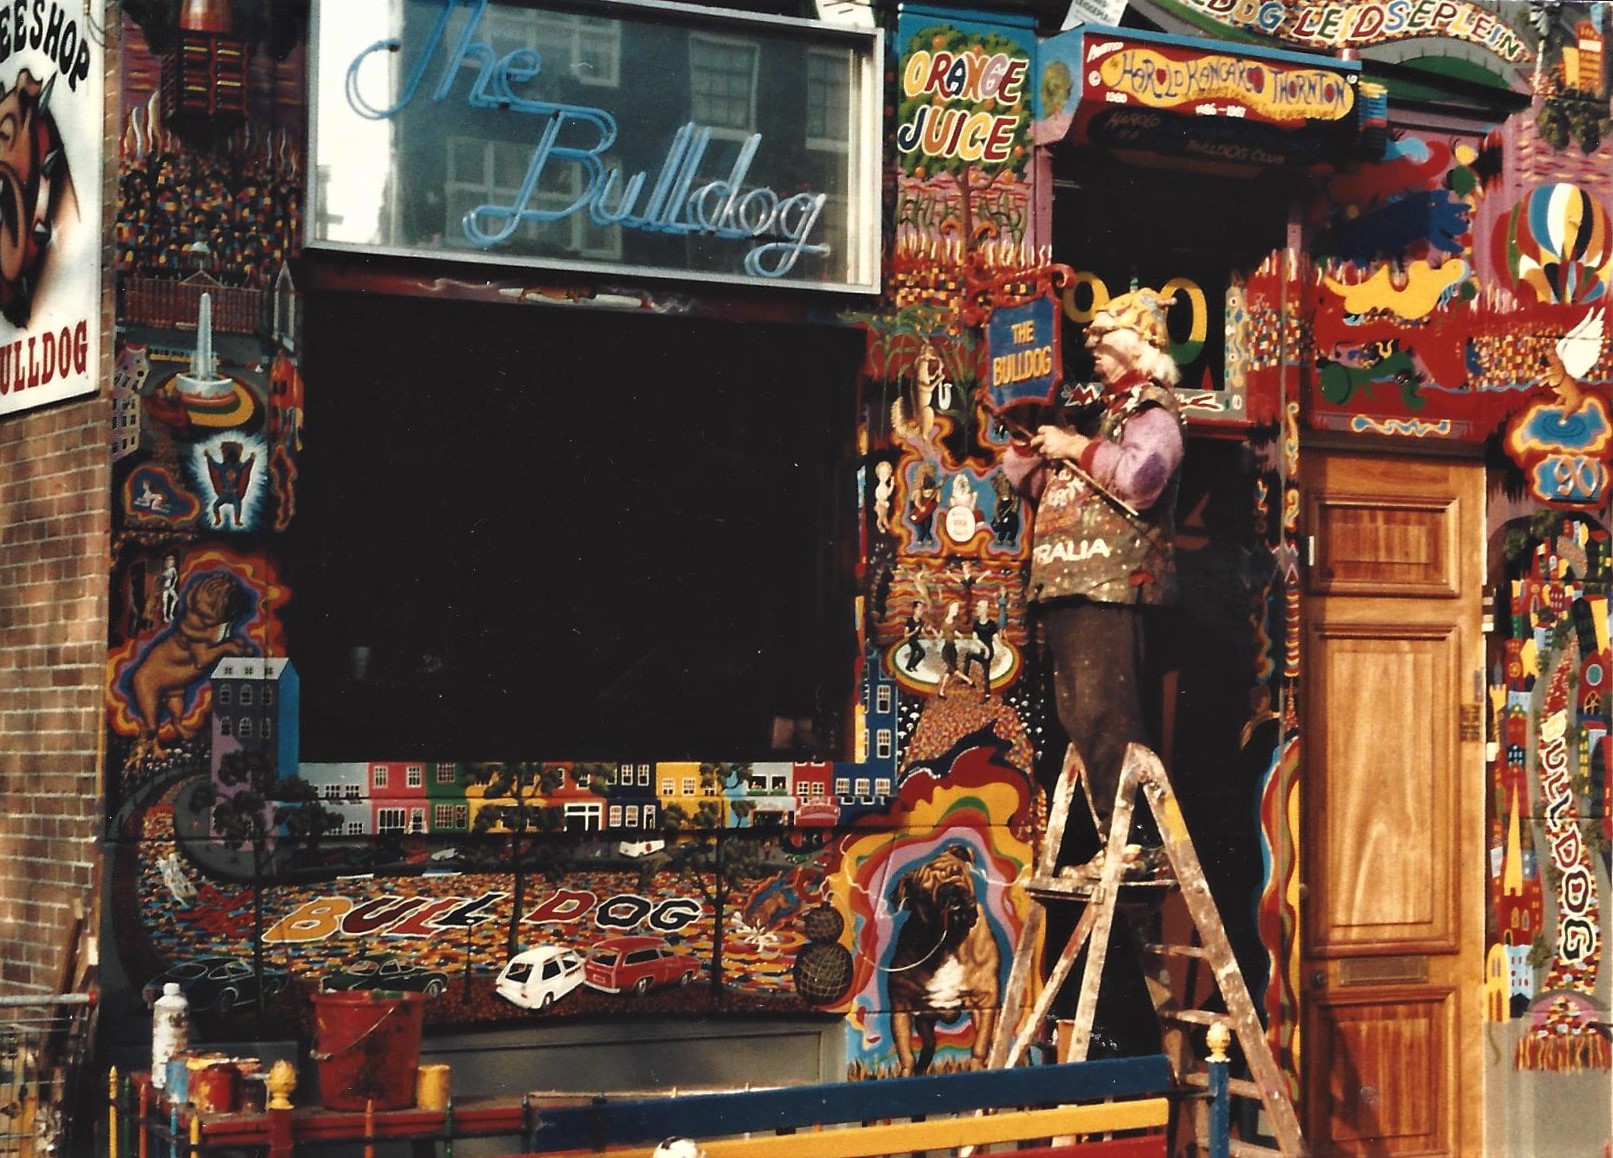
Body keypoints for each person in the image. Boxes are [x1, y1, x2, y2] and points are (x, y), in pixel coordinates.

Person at [1003, 287, 1185, 876]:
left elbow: (1142, 479)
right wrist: (1030, 437)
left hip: (1111, 585)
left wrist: (1076, 446)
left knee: (1110, 716)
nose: (1092, 350)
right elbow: (1034, 484)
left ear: (1137, 345)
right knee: (1081, 718)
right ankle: (1116, 840)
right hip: (1069, 586)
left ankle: (1139, 842)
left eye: (1102, 340)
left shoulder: (1151, 412)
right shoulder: (1093, 413)